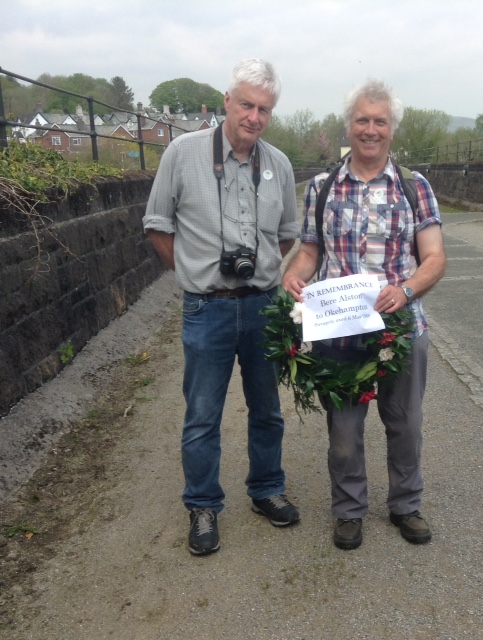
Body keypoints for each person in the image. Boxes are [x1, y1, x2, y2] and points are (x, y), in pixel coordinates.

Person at [143, 59, 300, 556]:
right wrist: (191, 273)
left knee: (268, 410)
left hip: (262, 307)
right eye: (247, 105)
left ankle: (267, 489)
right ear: (227, 102)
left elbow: (290, 232)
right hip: (205, 308)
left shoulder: (279, 164)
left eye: (265, 109)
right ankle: (204, 505)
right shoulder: (182, 153)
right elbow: (156, 223)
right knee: (203, 414)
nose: (254, 117)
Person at [282, 79, 446, 550]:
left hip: (401, 325)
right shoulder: (322, 186)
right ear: (349, 126)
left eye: (379, 121)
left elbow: (434, 257)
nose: (370, 129)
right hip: (340, 329)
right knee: (345, 431)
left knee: (405, 422)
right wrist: (296, 275)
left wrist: (407, 289)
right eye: (362, 120)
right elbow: (311, 251)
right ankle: (349, 510)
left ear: (392, 129)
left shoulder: (415, 187)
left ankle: (406, 505)